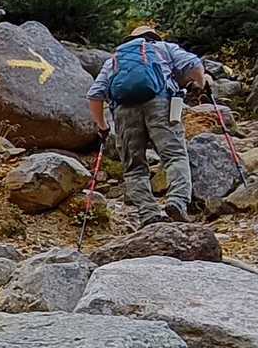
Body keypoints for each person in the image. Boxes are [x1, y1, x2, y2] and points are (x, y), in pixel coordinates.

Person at [87, 24, 206, 226]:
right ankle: (177, 201)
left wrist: (103, 126)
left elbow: (94, 95)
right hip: (160, 104)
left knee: (134, 167)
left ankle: (148, 213)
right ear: (153, 37)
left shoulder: (115, 59)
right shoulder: (164, 48)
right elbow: (194, 64)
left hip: (124, 111)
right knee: (174, 155)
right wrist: (201, 85)